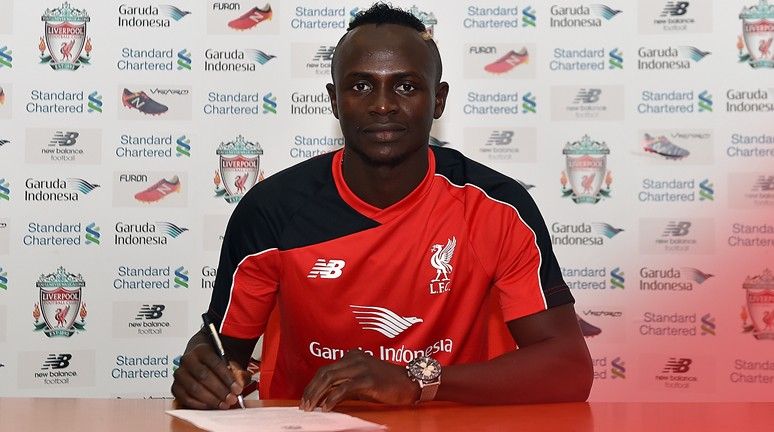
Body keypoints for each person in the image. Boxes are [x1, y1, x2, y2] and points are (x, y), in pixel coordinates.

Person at [171, 3, 592, 411]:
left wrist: (416, 382)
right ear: (334, 100)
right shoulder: (271, 210)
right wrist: (201, 371)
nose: (383, 104)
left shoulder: (496, 206)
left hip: (451, 424)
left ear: (438, 100)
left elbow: (569, 368)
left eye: (406, 86)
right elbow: (223, 350)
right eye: (361, 86)